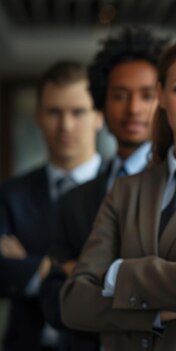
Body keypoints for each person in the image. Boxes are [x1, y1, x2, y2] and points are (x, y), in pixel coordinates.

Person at [59, 32, 176, 350]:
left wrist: (119, 273)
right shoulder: (126, 190)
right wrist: (154, 315)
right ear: (161, 94)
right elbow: (74, 303)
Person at [38, 27, 168, 350]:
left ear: (165, 99)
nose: (134, 109)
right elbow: (54, 302)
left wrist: (87, 279)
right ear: (101, 101)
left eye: (147, 95)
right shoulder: (75, 199)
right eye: (120, 95)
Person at [0, 61, 104, 350]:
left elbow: (124, 275)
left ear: (99, 116)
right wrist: (75, 268)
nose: (66, 125)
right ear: (38, 116)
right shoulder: (11, 193)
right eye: (54, 112)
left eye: (78, 112)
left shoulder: (122, 188)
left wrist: (33, 266)